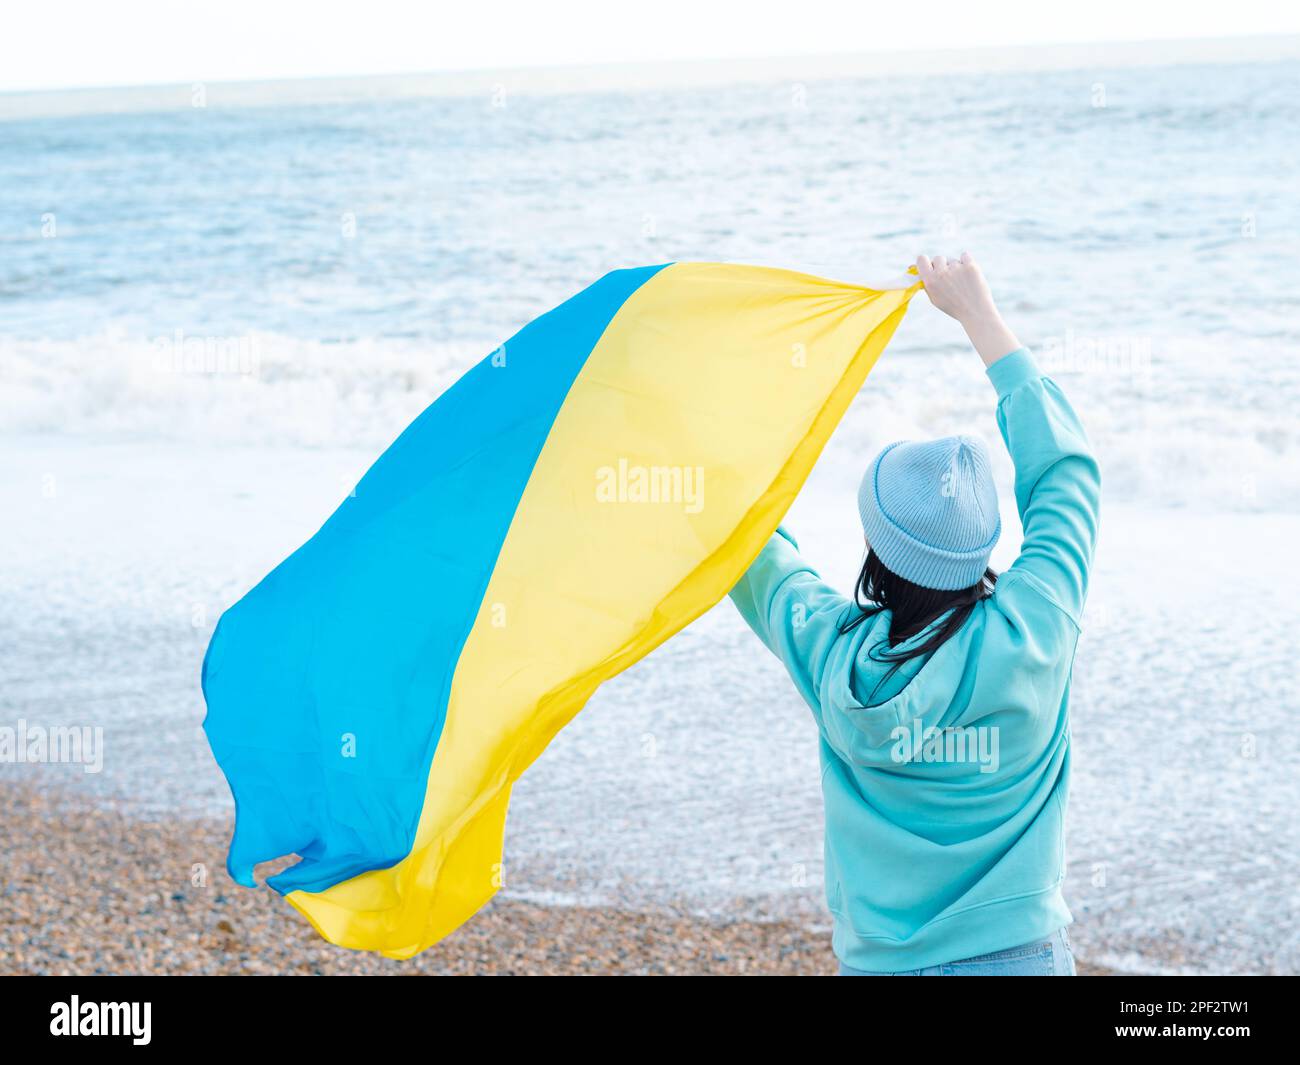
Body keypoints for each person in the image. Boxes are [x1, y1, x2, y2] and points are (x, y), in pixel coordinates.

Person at [729, 253, 1101, 975]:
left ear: (877, 547)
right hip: (1018, 956)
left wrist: (704, 429)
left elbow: (752, 549)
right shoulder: (1036, 627)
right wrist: (978, 316)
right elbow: (1067, 473)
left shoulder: (833, 657)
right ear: (984, 539)